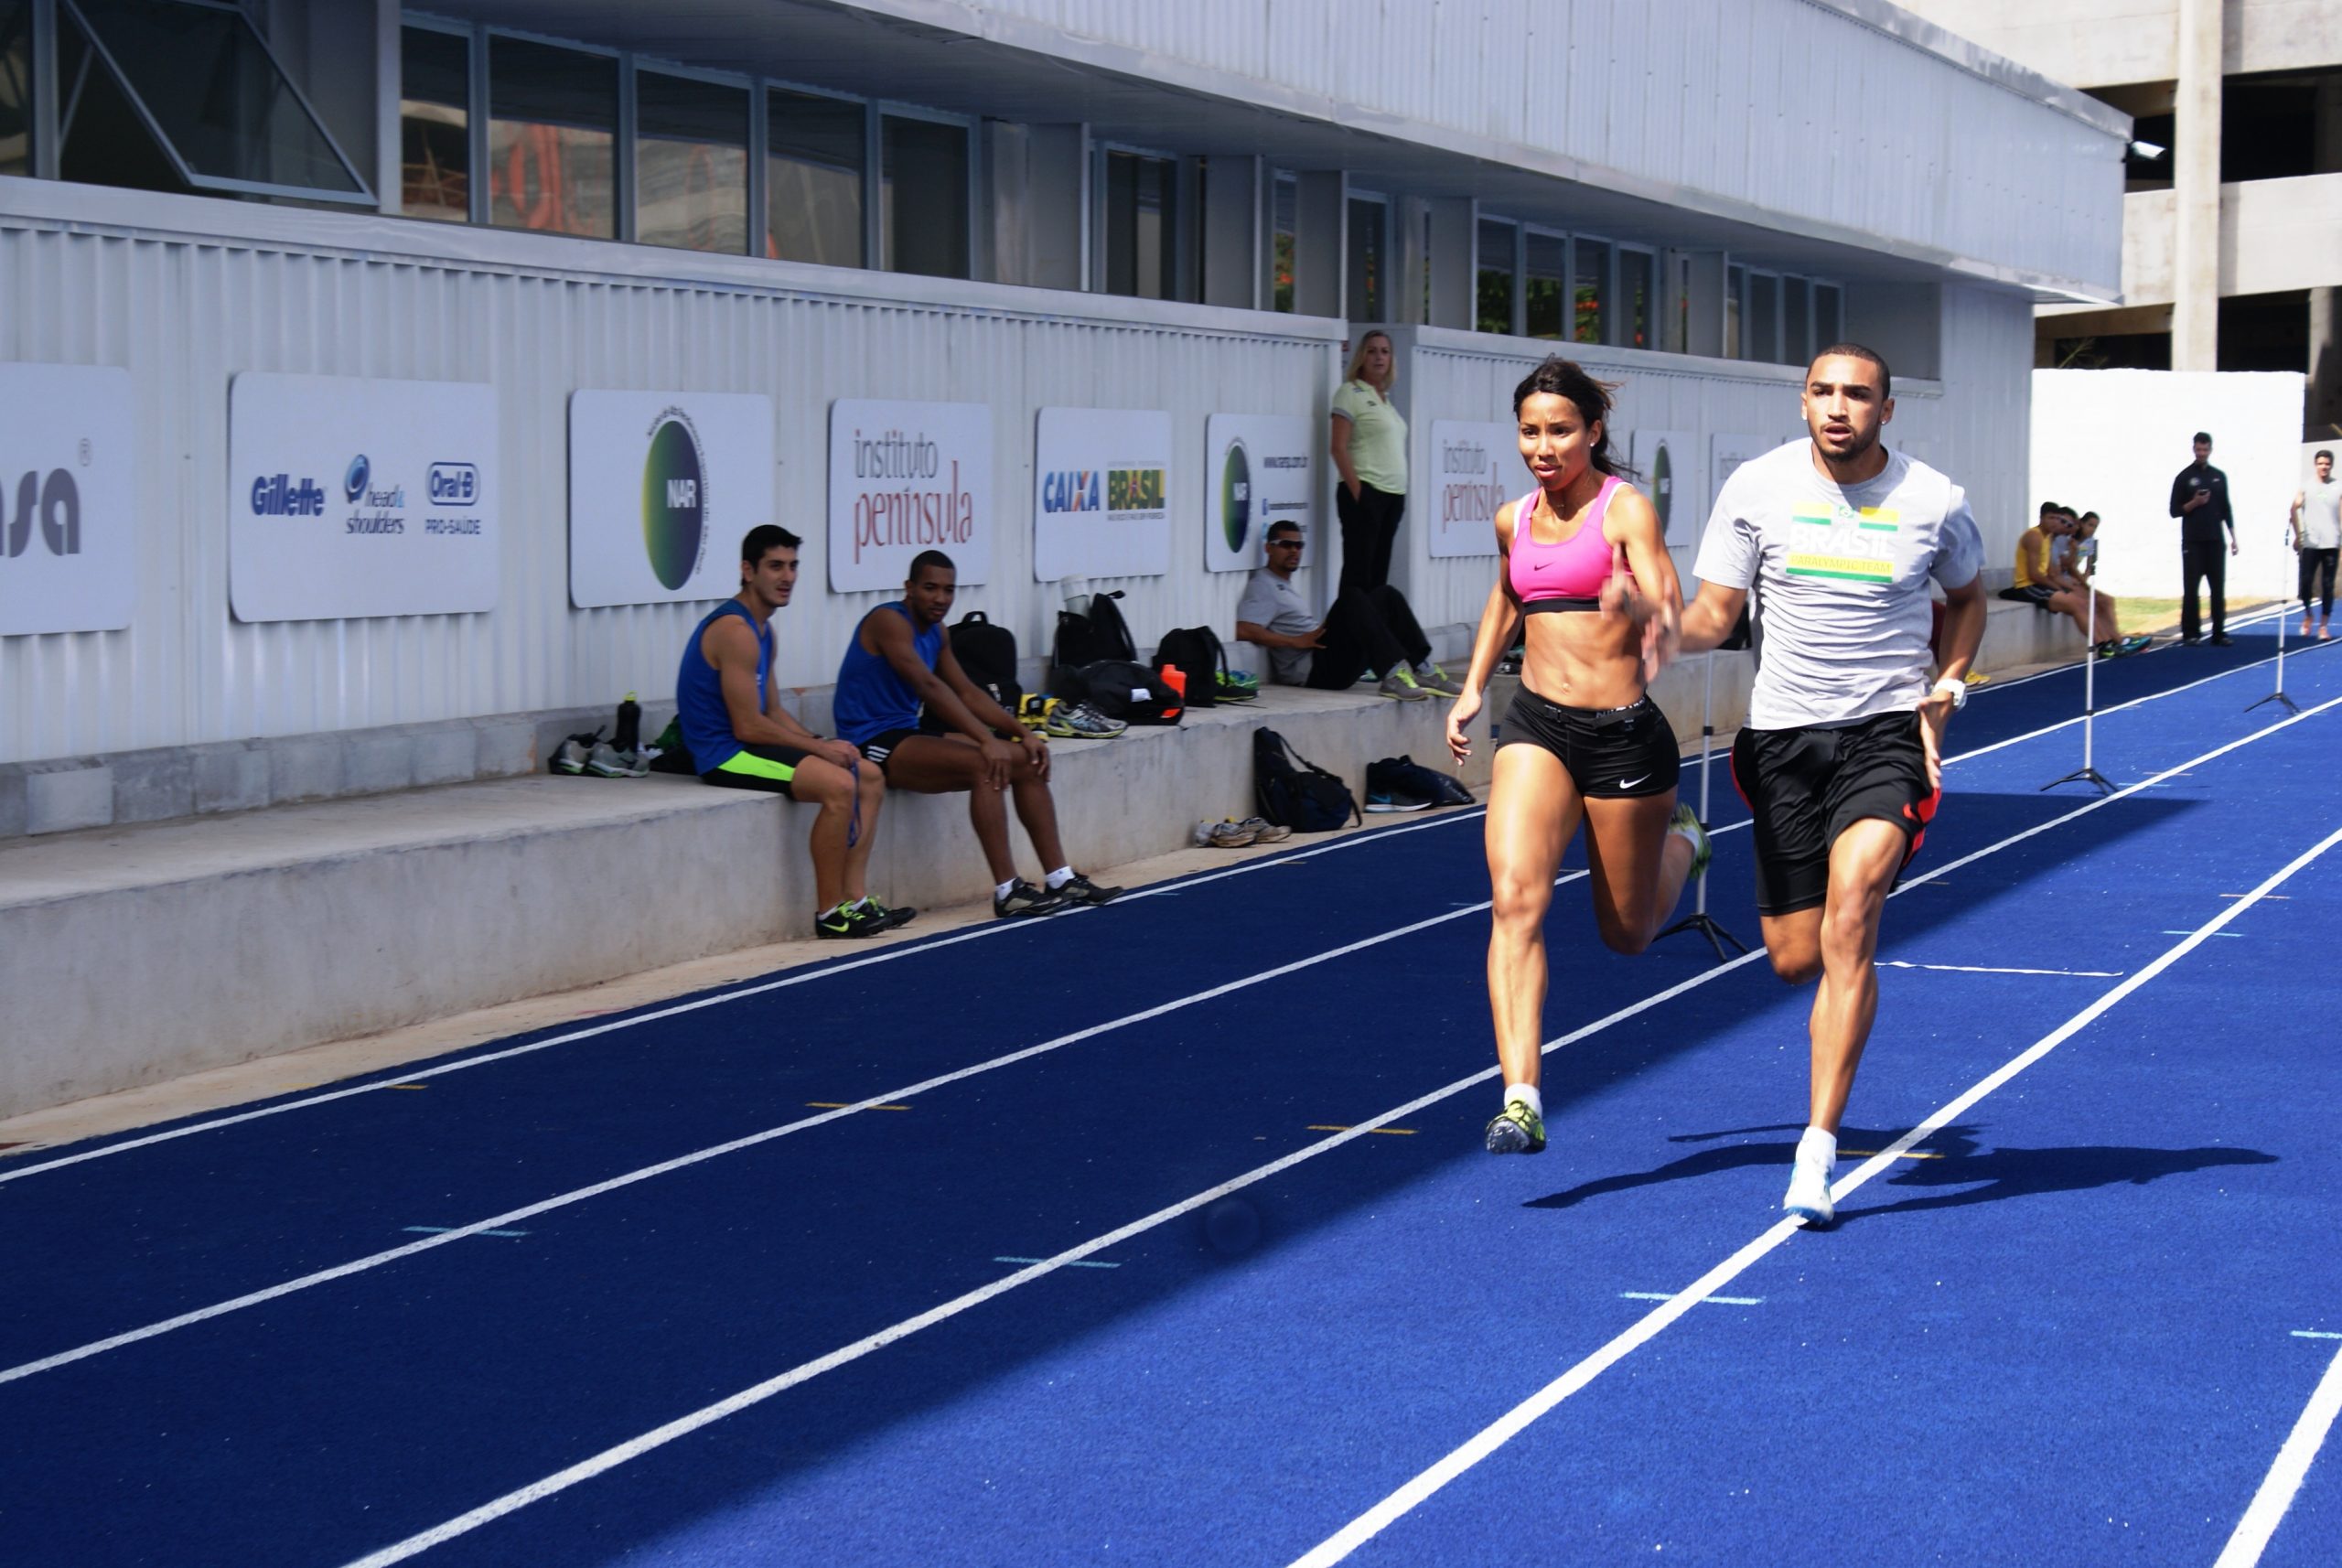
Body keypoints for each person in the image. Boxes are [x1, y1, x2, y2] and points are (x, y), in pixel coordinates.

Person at [1674, 344, 1986, 1227]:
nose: (1838, 407)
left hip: (1886, 733)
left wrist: (1947, 690)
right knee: (1794, 957)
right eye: (1822, 392)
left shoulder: (1935, 500)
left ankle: (1816, 1152)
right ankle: (1693, 846)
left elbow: (1966, 600)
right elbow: (1713, 614)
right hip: (1782, 742)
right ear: (1803, 402)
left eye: (1857, 395)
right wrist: (1649, 626)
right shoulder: (1757, 488)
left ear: (1887, 410)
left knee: (1853, 912)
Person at [1441, 356, 1710, 1157]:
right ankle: (1520, 1096)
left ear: (1594, 431)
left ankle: (1685, 842)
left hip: (1624, 734)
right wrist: (1473, 687)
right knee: (1515, 900)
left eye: (1561, 430)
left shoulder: (1626, 510)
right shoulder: (1512, 518)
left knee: (1625, 934)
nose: (1543, 446)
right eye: (1530, 431)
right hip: (1538, 727)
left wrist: (1643, 609)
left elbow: (1674, 606)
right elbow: (1507, 598)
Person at [833, 550, 1122, 918]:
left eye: (948, 590)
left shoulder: (937, 632)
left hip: (907, 733)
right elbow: (928, 686)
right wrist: (986, 740)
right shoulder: (889, 621)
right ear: (909, 588)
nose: (940, 598)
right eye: (930, 588)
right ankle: (1008, 890)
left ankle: (1060, 878)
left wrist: (1023, 733)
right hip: (871, 742)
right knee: (987, 763)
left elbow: (968, 692)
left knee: (1027, 760)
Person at [677, 525, 908, 940]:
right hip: (724, 754)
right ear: (748, 571)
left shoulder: (765, 630)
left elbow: (772, 711)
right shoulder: (736, 631)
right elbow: (747, 725)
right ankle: (829, 914)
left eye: (793, 566)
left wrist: (823, 745)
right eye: (775, 567)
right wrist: (818, 751)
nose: (787, 577)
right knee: (839, 785)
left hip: (750, 743)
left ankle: (855, 900)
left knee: (869, 775)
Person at [1234, 520, 1462, 701]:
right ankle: (1392, 676)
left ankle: (1425, 669)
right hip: (1314, 670)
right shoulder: (1262, 584)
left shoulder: (1283, 585)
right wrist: (1296, 642)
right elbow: (1244, 629)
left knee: (1386, 595)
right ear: (1268, 548)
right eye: (1285, 544)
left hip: (1328, 660)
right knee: (1350, 598)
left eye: (1298, 545)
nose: (1294, 550)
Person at [1328, 330, 1409, 597]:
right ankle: (1346, 633)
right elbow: (1338, 447)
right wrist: (1359, 493)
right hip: (1367, 490)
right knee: (1358, 571)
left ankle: (1372, 632)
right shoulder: (1350, 392)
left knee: (1378, 575)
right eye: (1372, 351)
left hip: (1392, 495)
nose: (1379, 357)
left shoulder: (1385, 400)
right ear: (1361, 357)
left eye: (1385, 351)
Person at [2003, 503, 2142, 657]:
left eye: (2058, 519)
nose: (2055, 522)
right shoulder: (2034, 536)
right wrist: (2060, 588)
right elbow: (2035, 575)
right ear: (2041, 518)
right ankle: (2103, 645)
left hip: (2042, 584)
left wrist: (2064, 585)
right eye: (2051, 518)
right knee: (2076, 603)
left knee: (2084, 602)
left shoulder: (2047, 537)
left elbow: (2051, 570)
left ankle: (2109, 642)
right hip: (2028, 586)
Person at [2169, 431, 2239, 646]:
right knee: (2191, 588)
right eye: (2198, 450)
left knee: (2218, 588)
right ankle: (2191, 632)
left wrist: (2234, 537)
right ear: (2193, 449)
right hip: (2193, 541)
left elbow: (2226, 508)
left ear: (2210, 450)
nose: (2201, 453)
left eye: (2205, 450)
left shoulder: (2219, 476)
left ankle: (2219, 632)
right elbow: (2174, 510)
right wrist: (2194, 503)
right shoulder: (2184, 477)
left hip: (2215, 541)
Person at [2290, 449, 2338, 640]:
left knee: (2327, 585)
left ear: (2331, 465)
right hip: (2311, 542)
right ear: (2315, 465)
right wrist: (2297, 535)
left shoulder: (2338, 487)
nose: (2324, 467)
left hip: (2331, 542)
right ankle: (2309, 614)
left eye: (2327, 463)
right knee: (2306, 582)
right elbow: (2294, 508)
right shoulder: (2306, 487)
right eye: (2320, 463)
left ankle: (2323, 626)